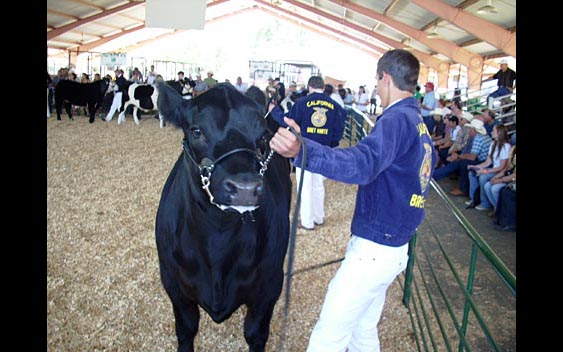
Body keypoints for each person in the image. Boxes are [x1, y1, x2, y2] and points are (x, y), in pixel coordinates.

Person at [269, 49, 437, 352]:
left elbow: (363, 164)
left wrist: (303, 152)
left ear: (385, 78)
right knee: (362, 328)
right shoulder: (417, 123)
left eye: (377, 81)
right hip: (394, 246)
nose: (376, 88)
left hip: (374, 249)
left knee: (329, 334)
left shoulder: (396, 120)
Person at [282, 75, 346, 231]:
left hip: (304, 149)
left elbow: (290, 123)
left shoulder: (301, 103)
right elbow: (339, 129)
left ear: (309, 87)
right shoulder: (335, 105)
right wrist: (331, 144)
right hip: (324, 150)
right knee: (318, 185)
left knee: (305, 186)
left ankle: (307, 222)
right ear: (323, 88)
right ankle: (319, 217)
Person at [466, 124, 511, 210]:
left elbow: (501, 167)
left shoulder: (506, 146)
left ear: (499, 133)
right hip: (493, 168)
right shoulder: (493, 143)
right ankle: (474, 199)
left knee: (483, 177)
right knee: (472, 173)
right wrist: (476, 167)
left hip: (499, 172)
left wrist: (485, 171)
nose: (491, 132)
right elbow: (488, 162)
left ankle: (485, 203)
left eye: (494, 131)